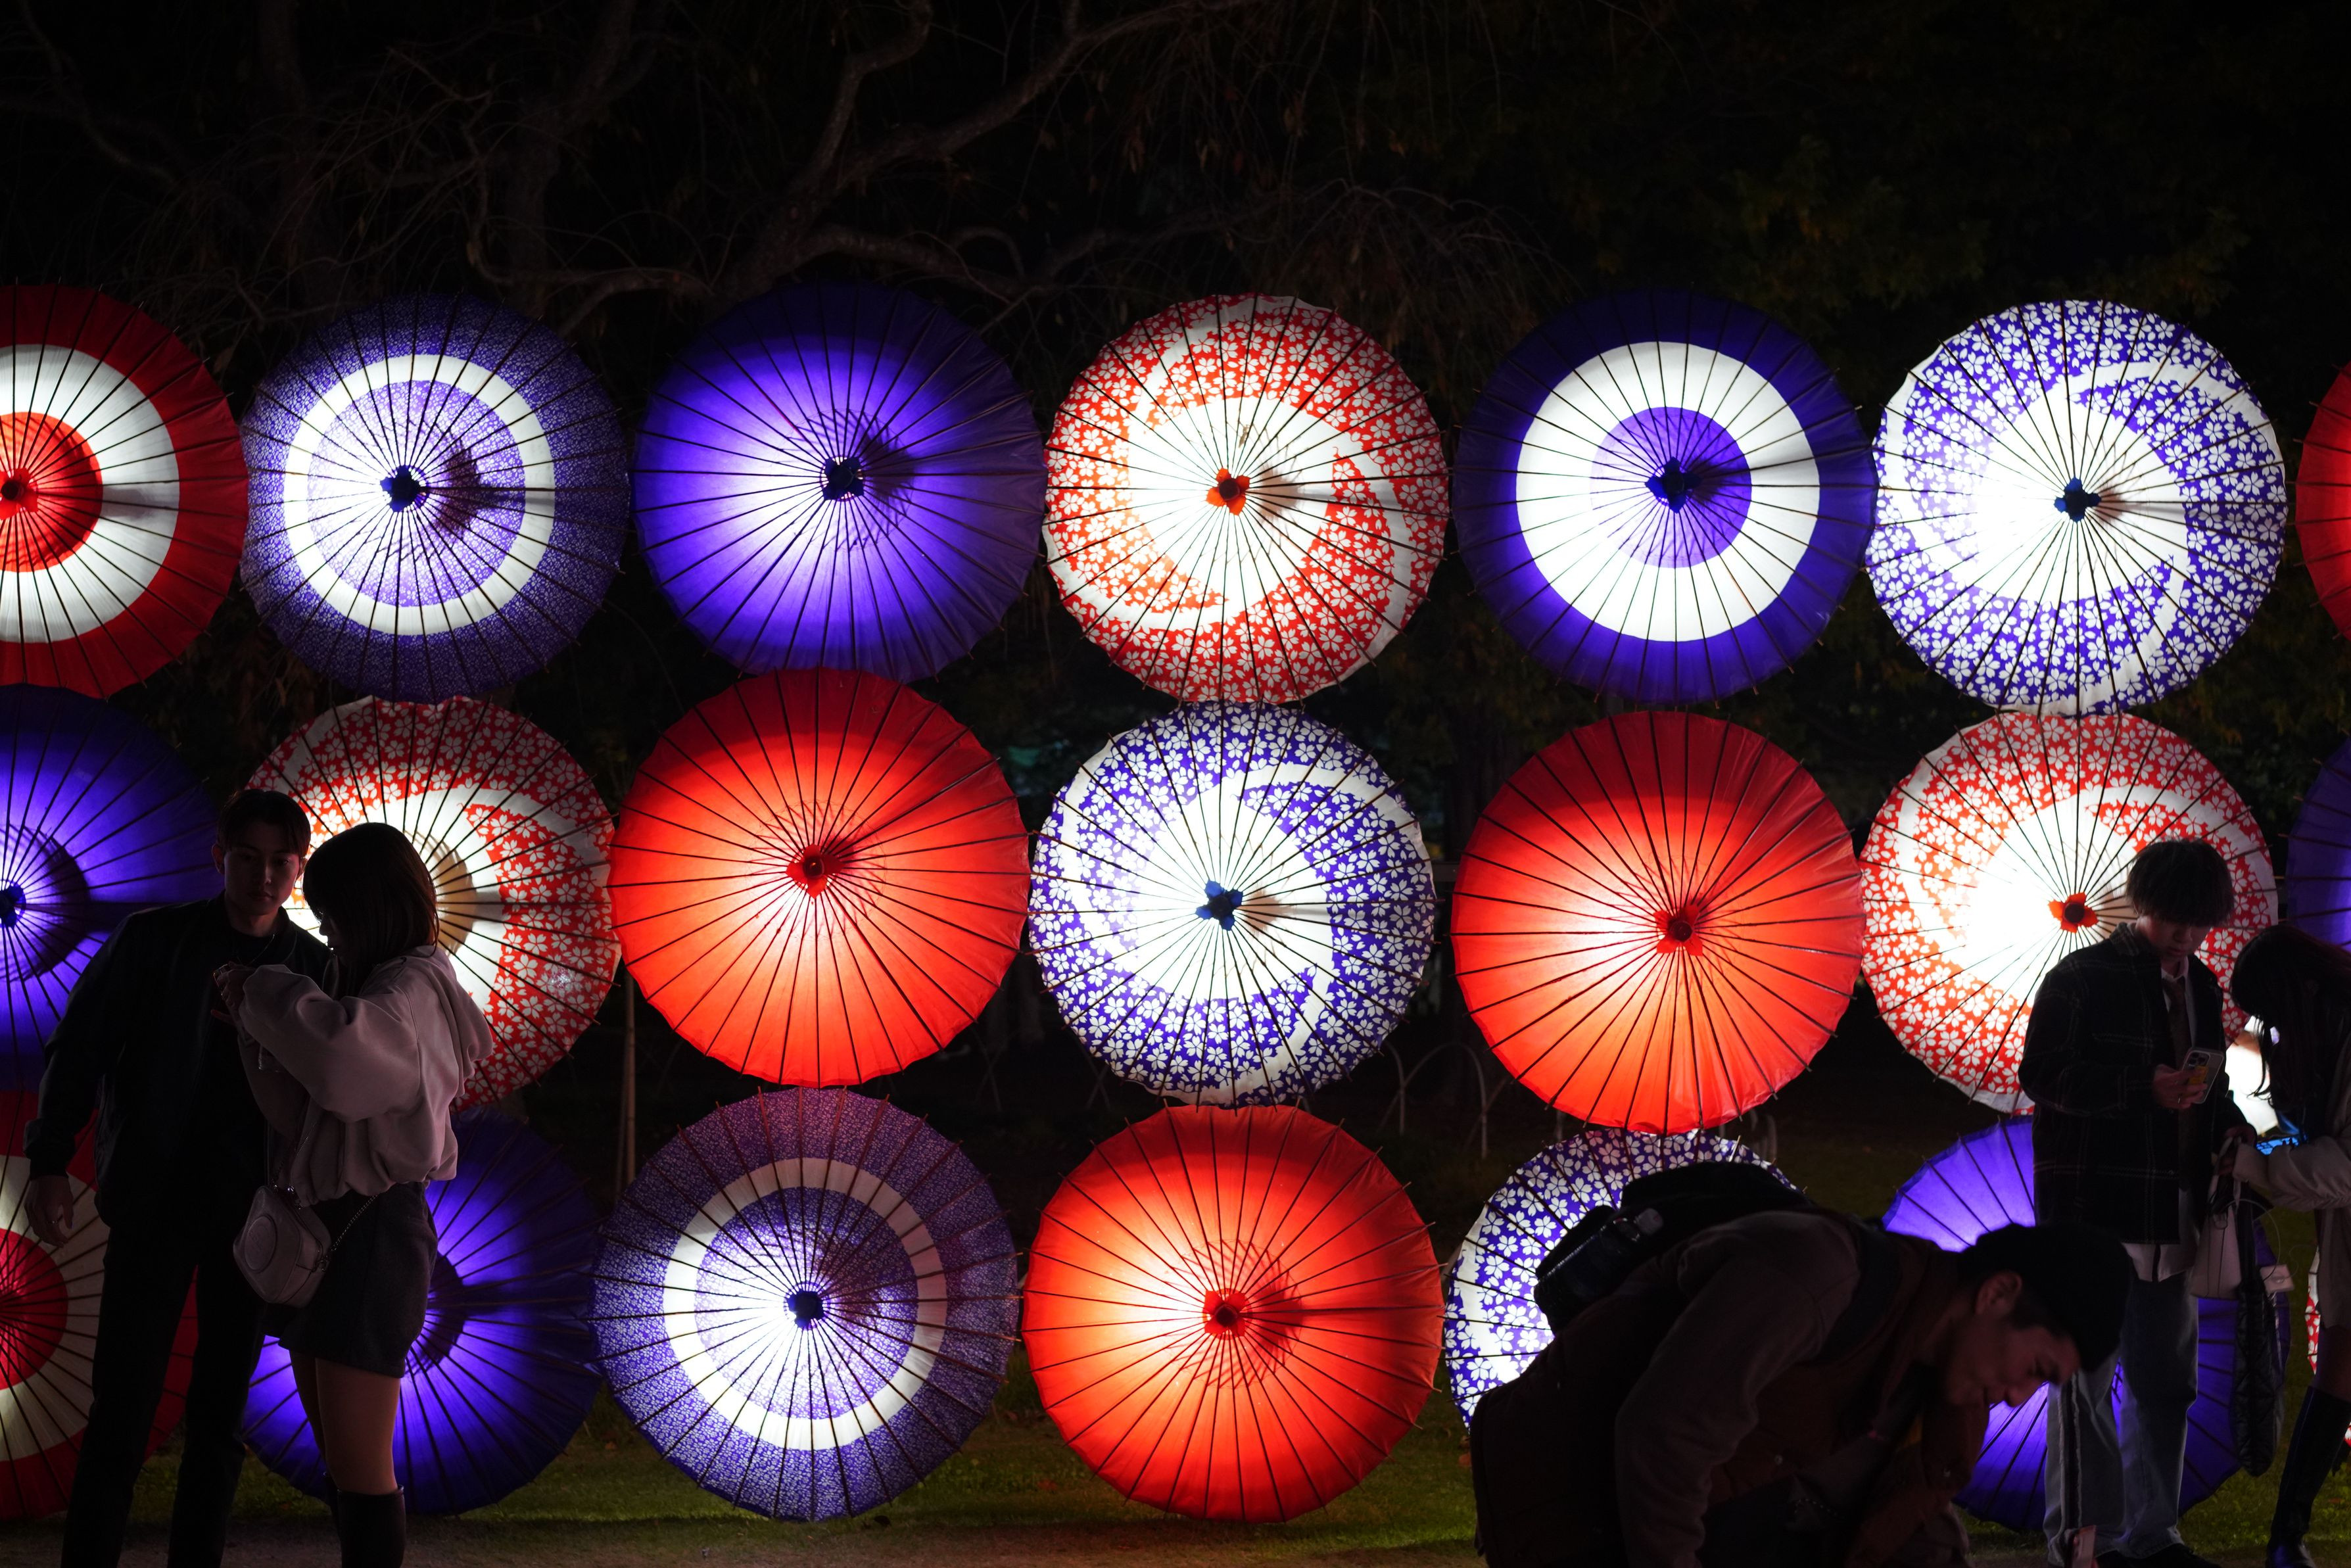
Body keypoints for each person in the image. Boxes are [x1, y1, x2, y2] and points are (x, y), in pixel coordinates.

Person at [23, 789, 331, 1568]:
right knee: (123, 1406)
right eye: (249, 858)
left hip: (257, 1215)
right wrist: (51, 1160)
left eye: (280, 862)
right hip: (155, 1198)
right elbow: (80, 1047)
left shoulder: (313, 967)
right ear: (220, 857)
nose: (264, 876)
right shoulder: (156, 941)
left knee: (221, 1416)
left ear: (297, 869)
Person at [1470, 1207, 2131, 1568]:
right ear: (1998, 1293)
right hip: (1564, 1503)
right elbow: (1663, 1438)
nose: (2017, 1397)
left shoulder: (1944, 1401)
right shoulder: (1816, 1276)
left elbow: (1906, 1524)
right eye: (2037, 1369)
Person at [214, 821, 488, 1568]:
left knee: (361, 1470)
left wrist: (263, 991)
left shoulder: (409, 989)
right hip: (347, 1225)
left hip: (371, 1234)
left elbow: (341, 1066)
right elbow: (311, 1107)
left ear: (367, 907)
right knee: (346, 1466)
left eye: (332, 913)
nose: (327, 930)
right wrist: (257, 1023)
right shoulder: (384, 986)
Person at [2018, 838, 2246, 1568]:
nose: (2186, 936)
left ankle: (2154, 1534)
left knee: (2166, 1382)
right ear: (2145, 903)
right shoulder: (2081, 978)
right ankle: (2086, 1541)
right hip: (2095, 1208)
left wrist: (2229, 1131)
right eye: (2175, 919)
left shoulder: (2202, 985)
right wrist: (2139, 1087)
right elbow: (2042, 1074)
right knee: (2084, 1380)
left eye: (2199, 923)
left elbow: (2211, 1085)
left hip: (2173, 1210)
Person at [2223, 924, 2351, 1567]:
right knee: (2340, 1366)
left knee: (2340, 1365)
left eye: (2272, 1014)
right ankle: (2286, 1536)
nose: (2272, 1030)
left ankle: (2287, 1536)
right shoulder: (2330, 1033)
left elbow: (2346, 1165)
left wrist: (2259, 1165)